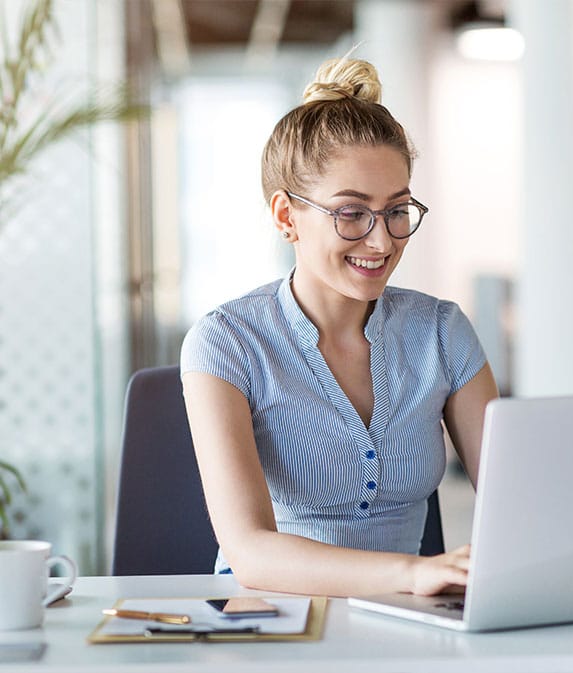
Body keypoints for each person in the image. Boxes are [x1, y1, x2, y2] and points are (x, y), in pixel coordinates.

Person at [179, 55, 498, 598]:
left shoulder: (442, 332)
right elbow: (250, 552)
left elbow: (517, 503)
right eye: (352, 213)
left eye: (398, 210)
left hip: (405, 622)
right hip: (272, 621)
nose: (382, 241)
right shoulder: (227, 342)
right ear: (286, 216)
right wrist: (413, 573)